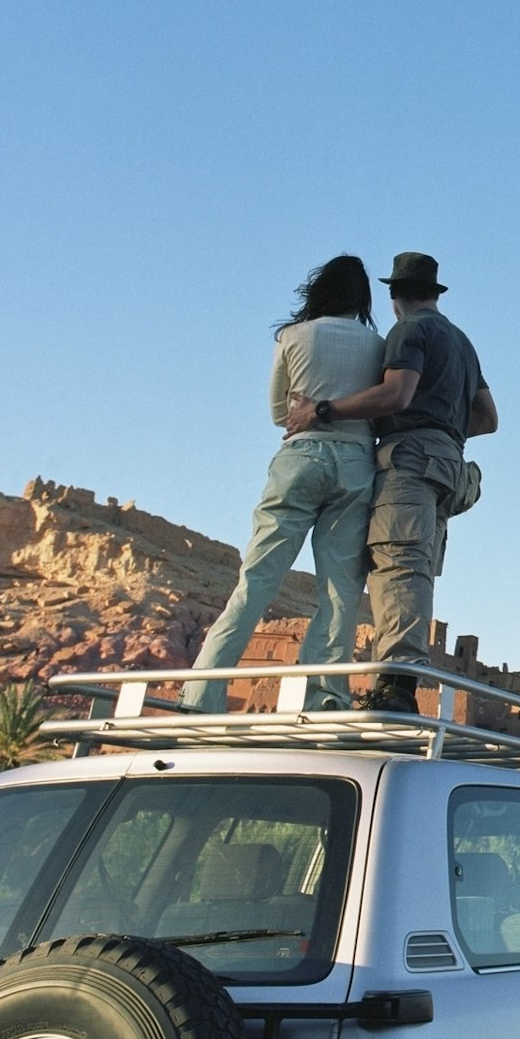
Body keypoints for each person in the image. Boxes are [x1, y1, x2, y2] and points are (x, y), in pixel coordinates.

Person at [286, 251, 497, 712]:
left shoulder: (409, 330)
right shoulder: (462, 342)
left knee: (398, 565)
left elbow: (396, 394)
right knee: (416, 563)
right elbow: (488, 418)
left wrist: (323, 409)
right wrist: (445, 427)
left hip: (411, 460)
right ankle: (397, 681)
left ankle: (397, 689)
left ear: (394, 295)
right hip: (447, 464)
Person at [182, 256, 386, 714]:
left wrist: (311, 406)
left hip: (301, 456)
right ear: (362, 298)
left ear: (320, 291)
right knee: (339, 589)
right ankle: (326, 698)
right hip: (356, 461)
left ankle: (200, 693)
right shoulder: (379, 346)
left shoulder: (292, 337)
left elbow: (279, 412)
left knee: (256, 579)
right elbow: (381, 407)